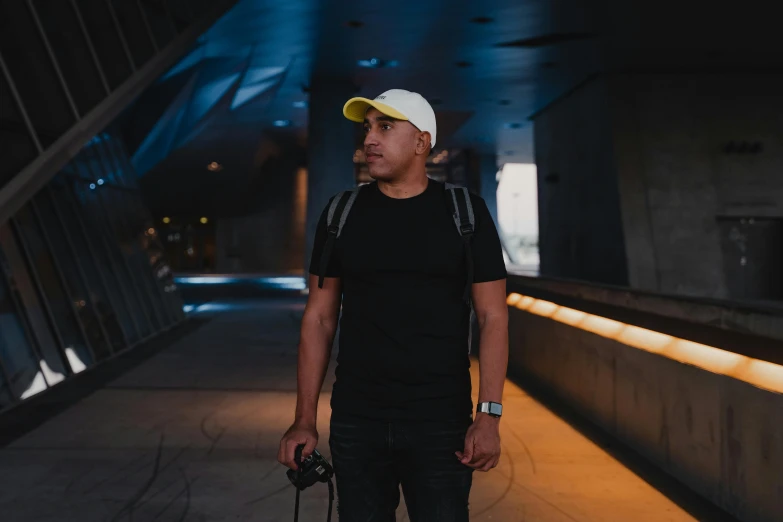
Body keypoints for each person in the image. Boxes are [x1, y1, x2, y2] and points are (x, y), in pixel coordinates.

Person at [278, 89, 508, 521]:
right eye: (367, 128)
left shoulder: (465, 214)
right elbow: (319, 318)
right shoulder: (340, 213)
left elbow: (493, 316)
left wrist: (489, 416)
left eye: (385, 127)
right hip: (357, 418)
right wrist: (304, 419)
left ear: (422, 142)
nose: (369, 139)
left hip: (441, 421)